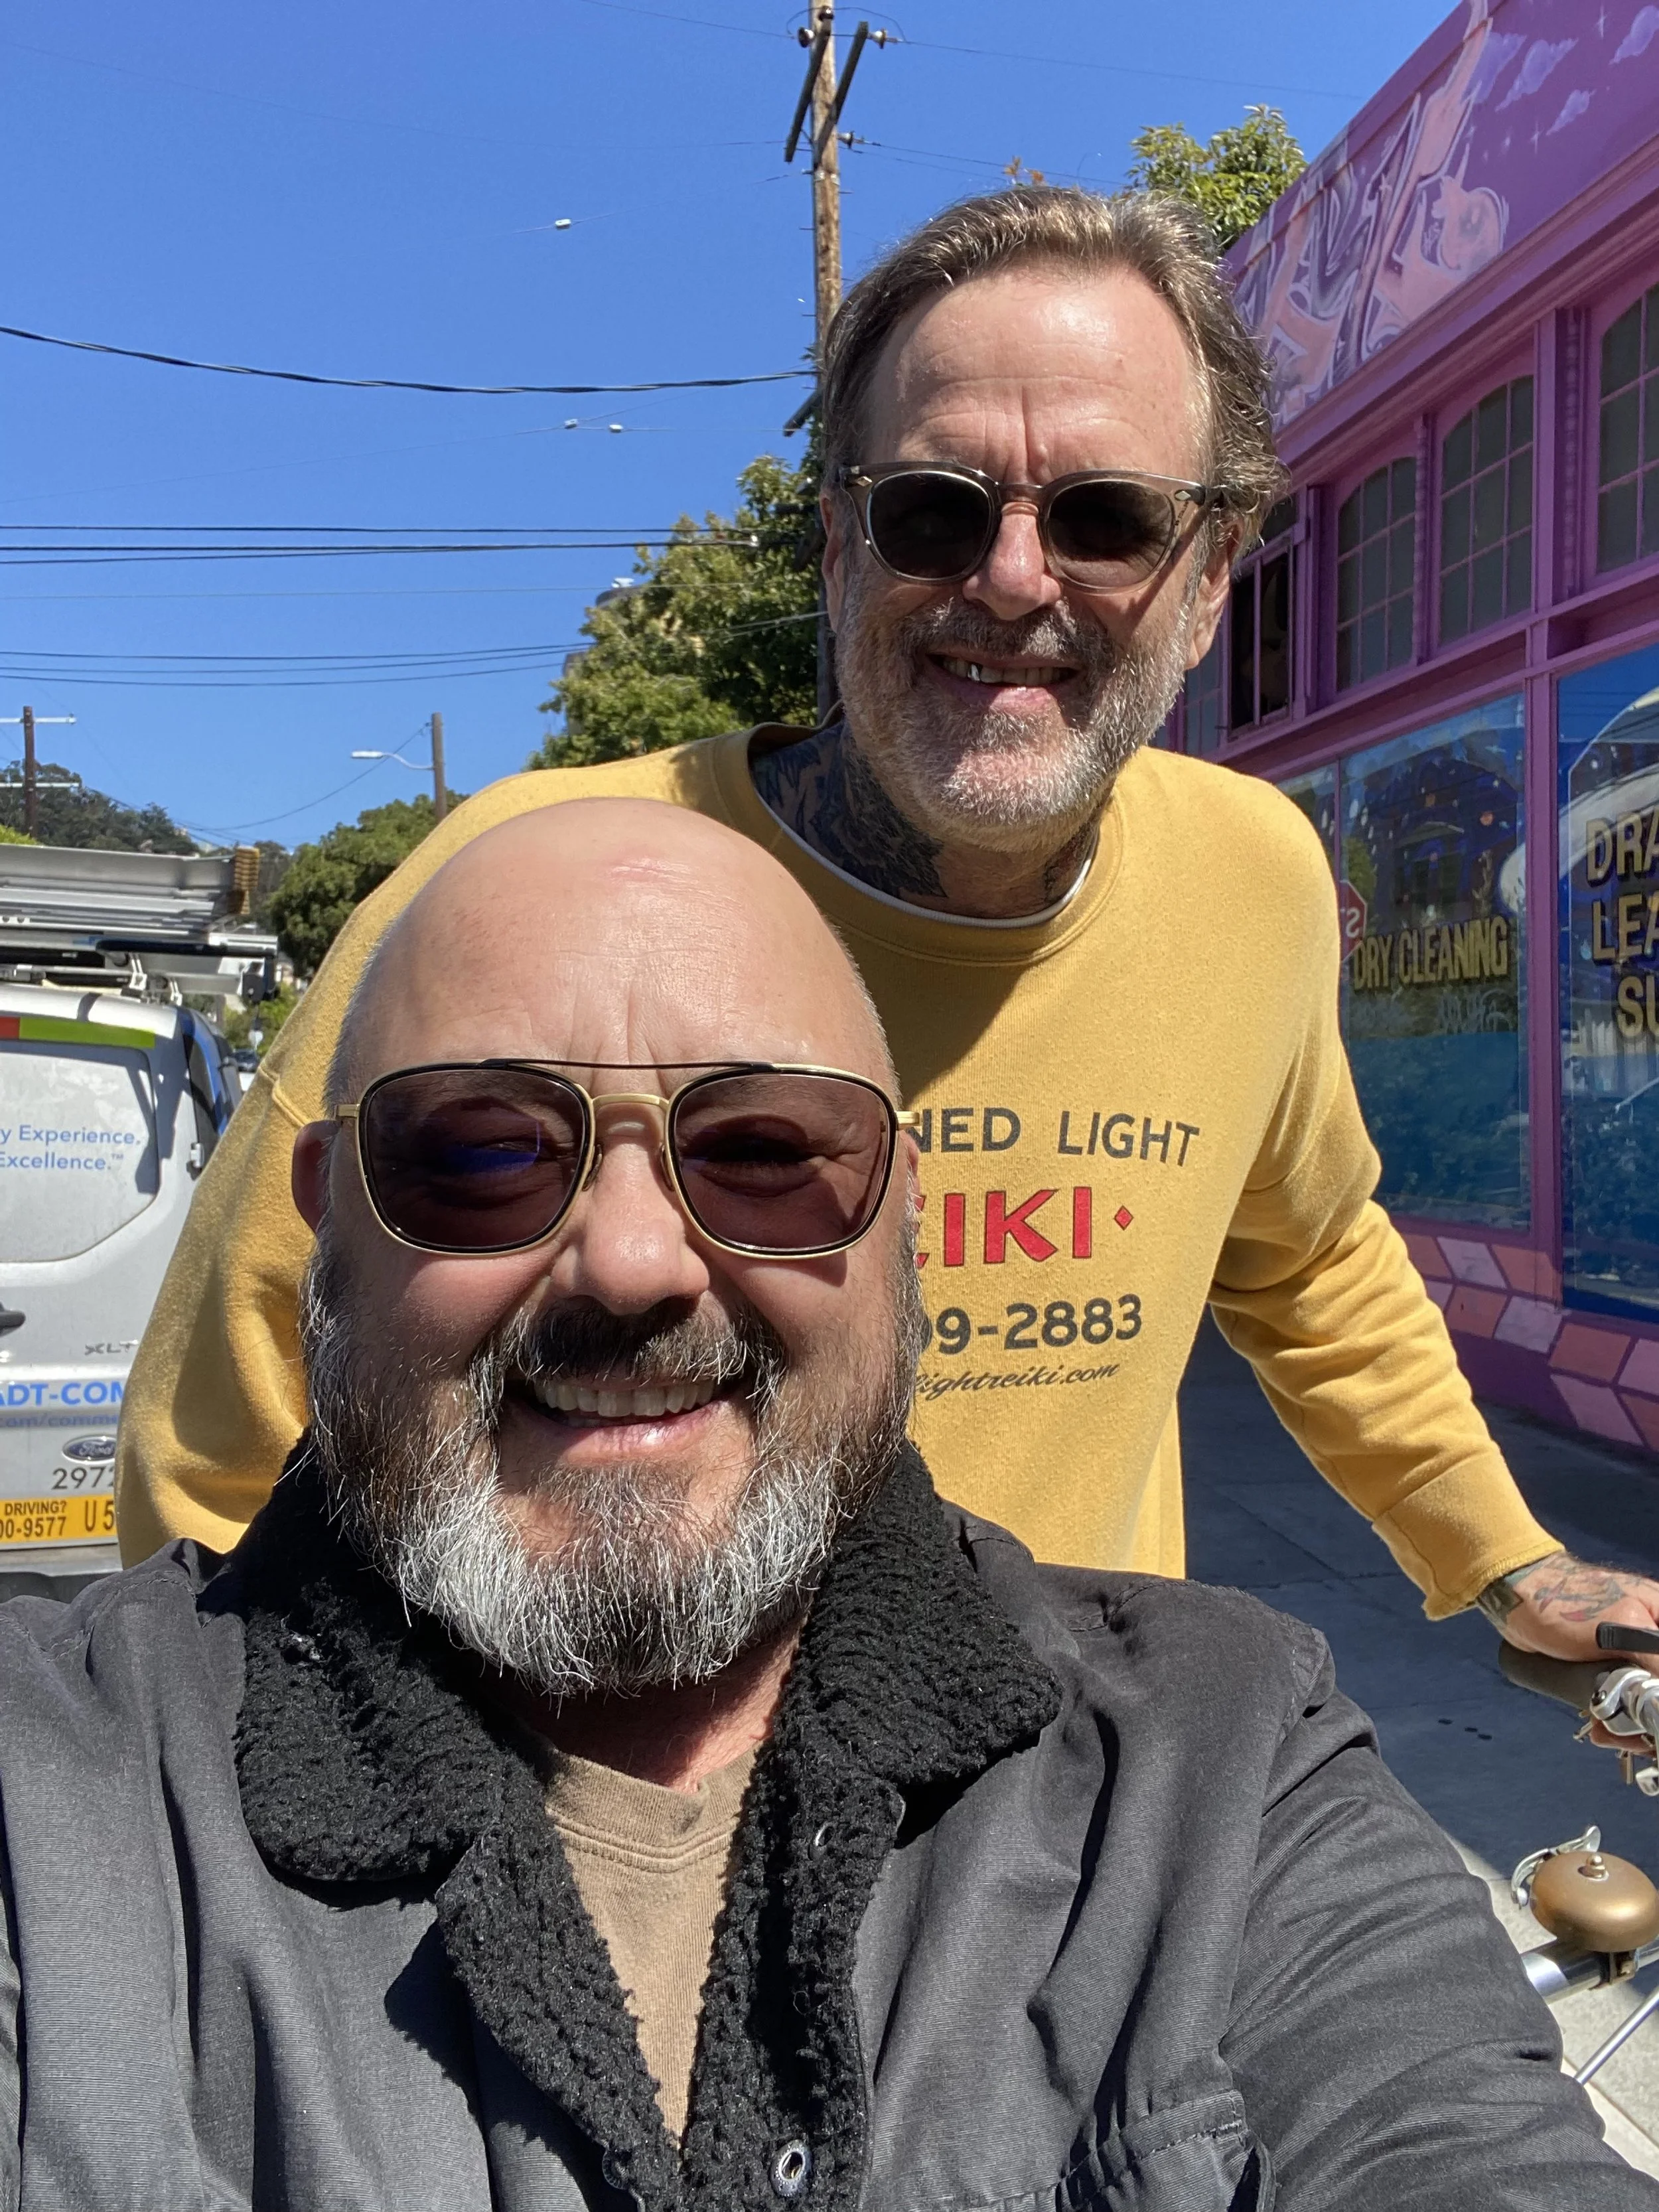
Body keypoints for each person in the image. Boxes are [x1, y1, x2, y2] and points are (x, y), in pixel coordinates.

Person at [11, 800, 1651, 2211]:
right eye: (483, 1153)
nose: (631, 1263)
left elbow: (1319, 1262)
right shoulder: (60, 1807)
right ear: (328, 1217)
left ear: (908, 1219)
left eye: (766, 1150)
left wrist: (1498, 1554)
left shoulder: (1225, 1764)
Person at [115, 184, 1659, 1664]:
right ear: (837, 548)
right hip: (598, 1805)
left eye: (1107, 518)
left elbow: (1312, 1267)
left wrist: (1503, 1559)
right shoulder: (521, 886)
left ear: (1205, 583)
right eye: (930, 510)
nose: (1011, 577)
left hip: (1075, 1798)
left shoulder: (1254, 879)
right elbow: (227, 1433)